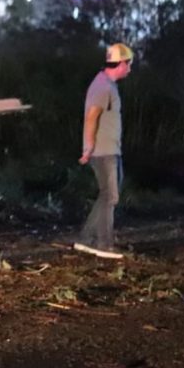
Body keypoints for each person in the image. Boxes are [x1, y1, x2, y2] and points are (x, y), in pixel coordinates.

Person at [74, 42, 133, 260]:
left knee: (107, 195)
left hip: (109, 149)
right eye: (129, 64)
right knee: (110, 196)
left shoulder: (106, 84)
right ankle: (104, 244)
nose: (130, 69)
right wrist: (89, 146)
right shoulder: (103, 86)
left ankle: (86, 239)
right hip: (103, 152)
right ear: (122, 63)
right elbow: (92, 116)